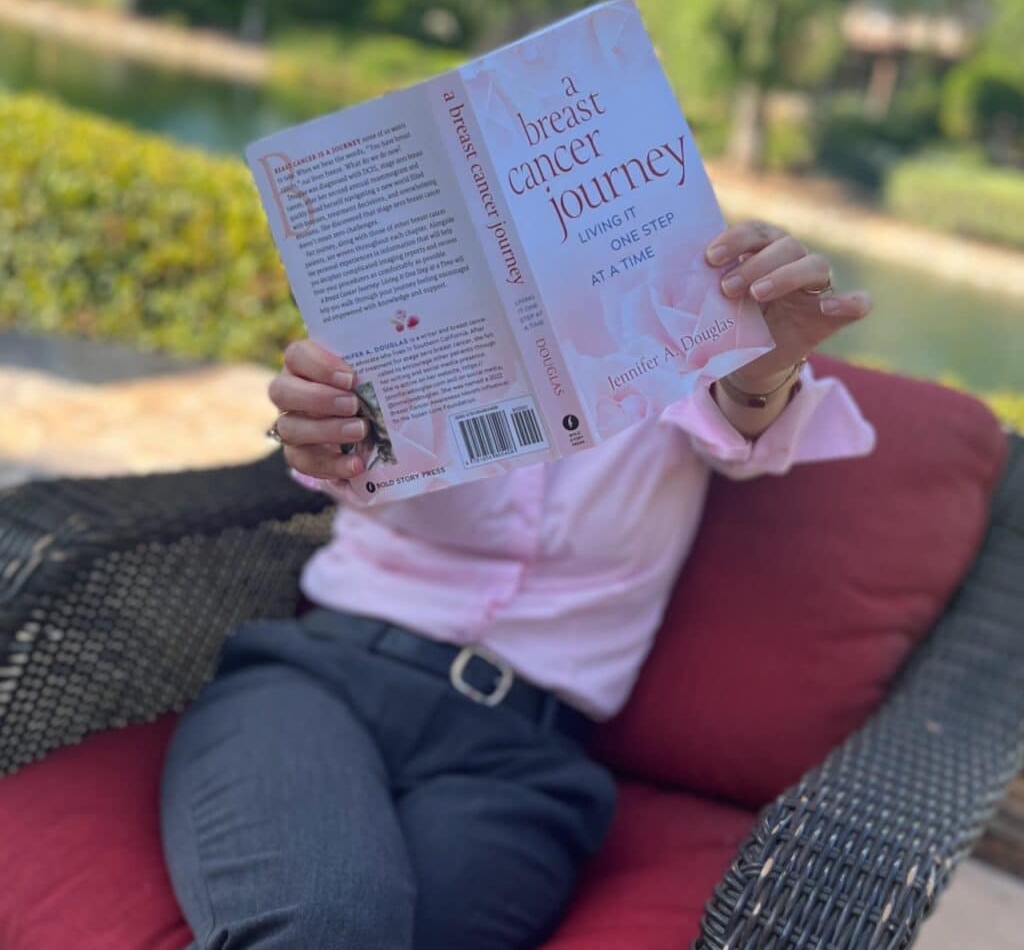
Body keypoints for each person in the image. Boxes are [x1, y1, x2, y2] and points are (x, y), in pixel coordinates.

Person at [159, 221, 876, 950]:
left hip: (517, 764)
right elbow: (359, 465)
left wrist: (761, 370)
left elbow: (745, 426)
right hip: (322, 682)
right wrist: (332, 435)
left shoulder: (676, 329)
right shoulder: (417, 311)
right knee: (323, 929)